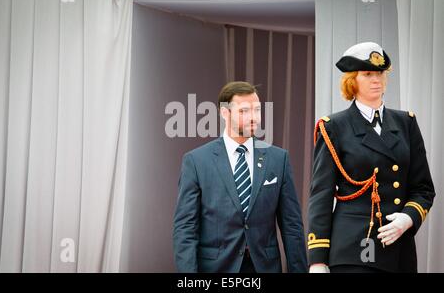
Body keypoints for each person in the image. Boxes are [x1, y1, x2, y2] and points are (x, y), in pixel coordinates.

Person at [308, 42, 435, 273]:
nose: (376, 79)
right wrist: (317, 260)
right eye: (367, 74)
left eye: (379, 73)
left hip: (399, 246)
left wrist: (408, 219)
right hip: (355, 247)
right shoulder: (334, 127)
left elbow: (424, 188)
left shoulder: (406, 123)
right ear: (351, 81)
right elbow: (321, 195)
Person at [173, 81, 307, 273]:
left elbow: (291, 225)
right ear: (224, 113)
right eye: (244, 111)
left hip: (264, 267)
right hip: (215, 268)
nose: (254, 118)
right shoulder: (196, 161)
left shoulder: (278, 159)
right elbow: (185, 228)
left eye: (257, 110)